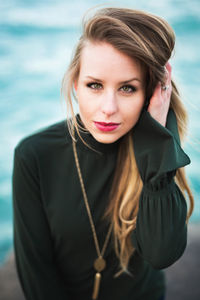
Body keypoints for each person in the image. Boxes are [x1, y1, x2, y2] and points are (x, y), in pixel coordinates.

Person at [12, 7, 194, 300]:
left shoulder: (153, 153)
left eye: (127, 88)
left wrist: (159, 140)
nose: (108, 108)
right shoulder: (34, 155)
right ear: (76, 84)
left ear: (150, 94)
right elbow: (37, 274)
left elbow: (162, 254)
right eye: (94, 85)